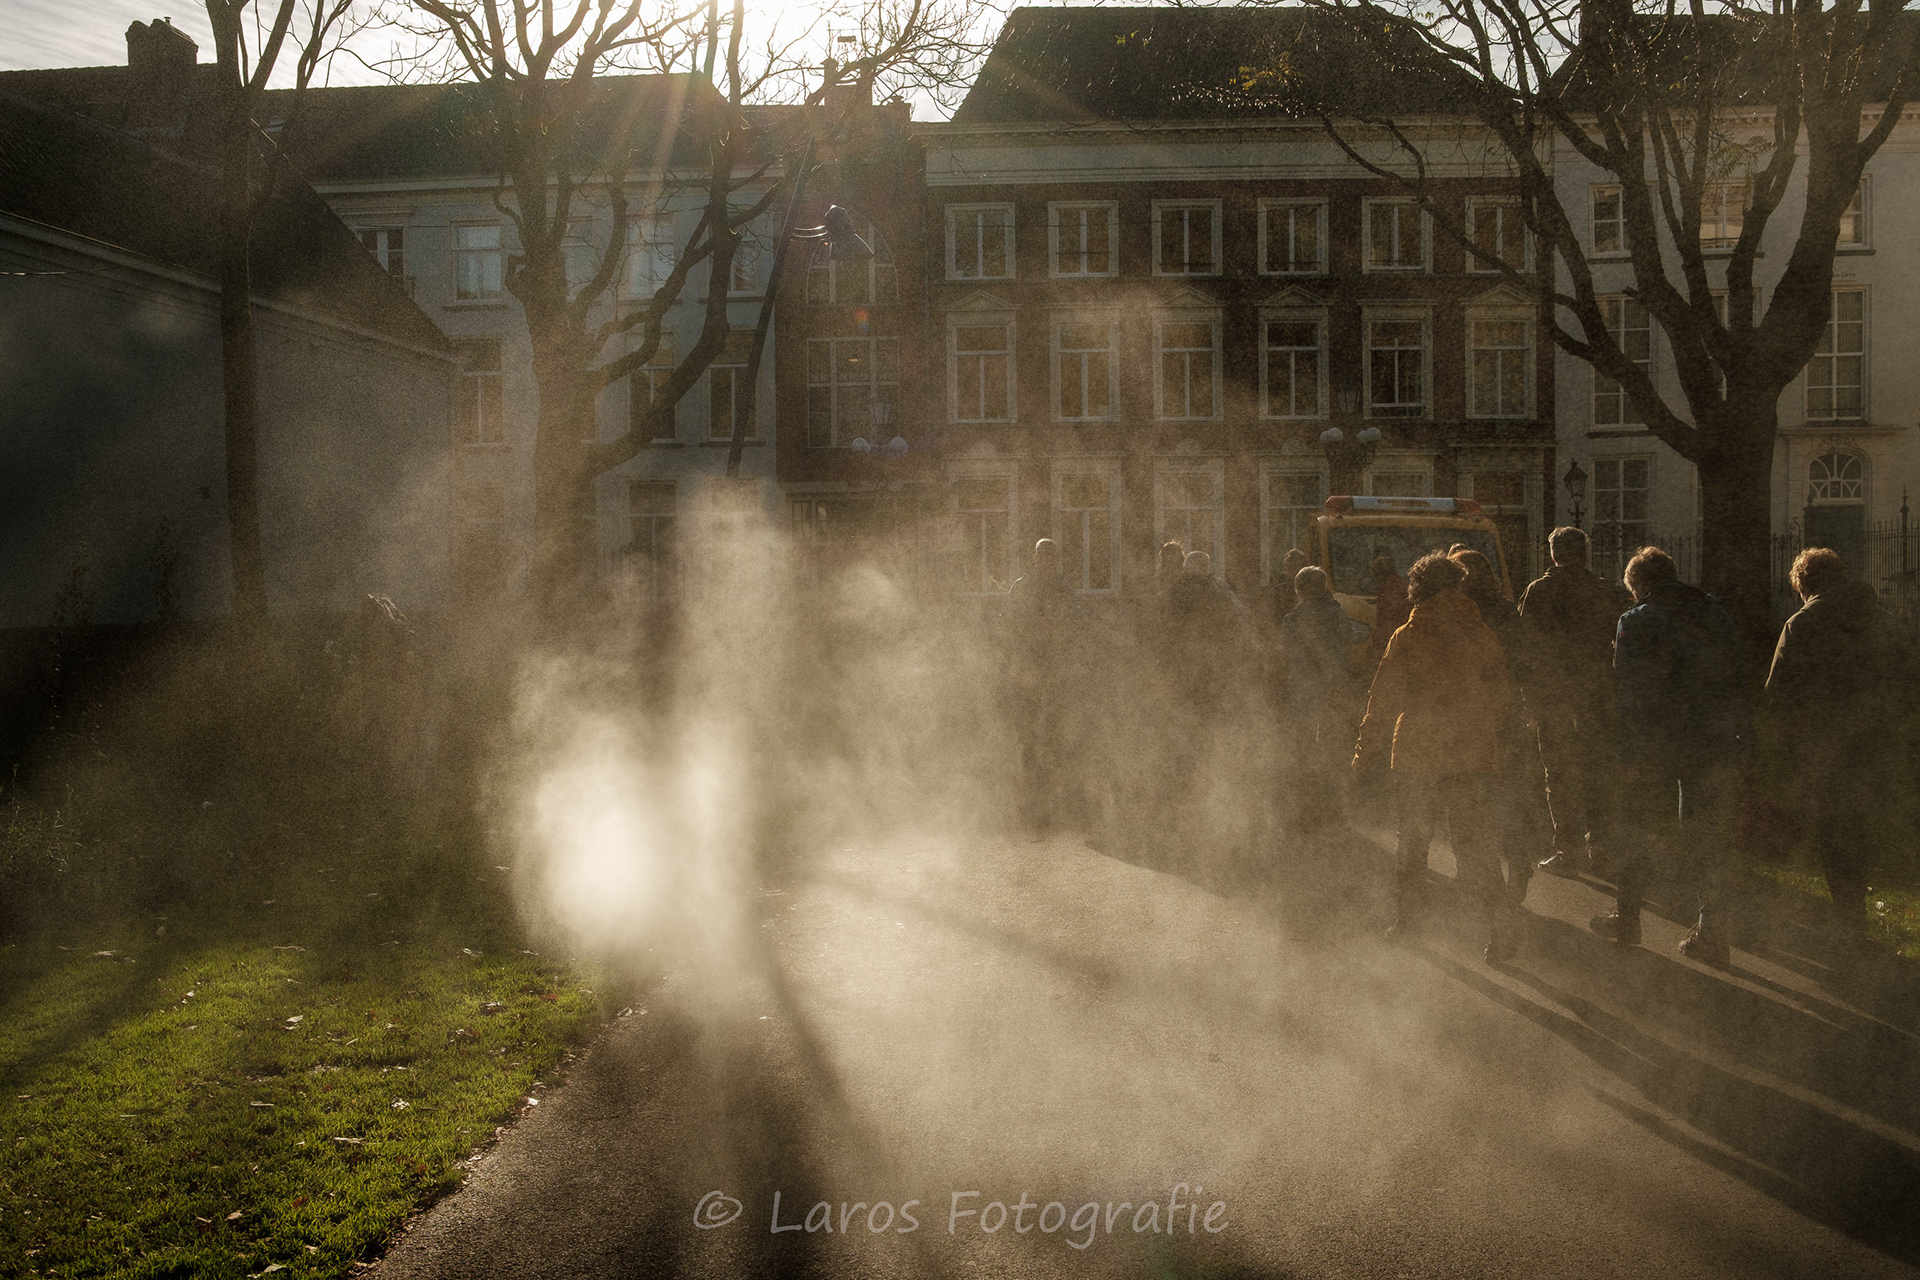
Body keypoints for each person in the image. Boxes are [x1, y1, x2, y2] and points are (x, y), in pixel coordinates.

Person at [1353, 552, 1516, 962]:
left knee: (1413, 843)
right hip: (1473, 753)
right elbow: (1502, 696)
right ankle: (1501, 932)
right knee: (1475, 845)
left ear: (1417, 589)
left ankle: (1408, 925)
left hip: (1418, 753)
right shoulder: (1480, 634)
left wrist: (1363, 754)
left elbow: (1383, 701)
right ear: (1458, 587)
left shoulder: (1408, 636)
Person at [1592, 547, 1750, 966]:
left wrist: (1625, 754)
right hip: (1712, 739)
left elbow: (1629, 694)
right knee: (1704, 837)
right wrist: (1743, 740)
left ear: (1638, 585)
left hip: (1654, 743)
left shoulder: (1636, 620)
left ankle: (1627, 919)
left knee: (1635, 828)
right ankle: (1711, 932)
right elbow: (1739, 676)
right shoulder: (1715, 612)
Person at [1766, 547, 1900, 948]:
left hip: (1824, 747)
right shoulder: (1882, 619)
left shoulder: (1802, 624)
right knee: (1860, 829)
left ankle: (1848, 925)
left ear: (1804, 584)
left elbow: (1778, 693)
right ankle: (1854, 916)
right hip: (1875, 744)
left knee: (1834, 832)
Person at [1519, 526, 1632, 879]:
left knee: (1559, 772)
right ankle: (1599, 843)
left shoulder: (1539, 591)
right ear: (1583, 553)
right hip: (1595, 692)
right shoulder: (1603, 590)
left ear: (1552, 554)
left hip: (1552, 694)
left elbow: (1525, 648)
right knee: (1596, 768)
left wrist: (1529, 699)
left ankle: (1568, 849)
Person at [1451, 547, 1545, 912]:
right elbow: (1527, 663)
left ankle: (1475, 874)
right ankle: (1518, 863)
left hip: (1467, 720)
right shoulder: (1507, 611)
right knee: (1508, 795)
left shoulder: (1459, 615)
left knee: (1466, 800)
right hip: (1507, 718)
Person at [1279, 565, 1366, 828]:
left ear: (1300, 590)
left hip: (1303, 693)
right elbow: (1346, 645)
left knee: (1302, 751)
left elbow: (1287, 654)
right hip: (1332, 689)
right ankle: (1335, 811)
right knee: (1332, 749)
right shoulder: (1339, 616)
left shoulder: (1291, 620)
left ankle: (1303, 811)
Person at [1004, 538, 1079, 831]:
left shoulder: (1063, 590)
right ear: (1035, 558)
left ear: (1055, 558)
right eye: (1042, 555)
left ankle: (1048, 803)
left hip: (1053, 672)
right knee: (1029, 739)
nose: (1046, 560)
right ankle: (1031, 803)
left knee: (1052, 737)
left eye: (1050, 554)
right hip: (1029, 671)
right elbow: (1009, 625)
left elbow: (1076, 626)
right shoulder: (1023, 588)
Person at [1369, 553, 1411, 658]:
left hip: (1393, 638)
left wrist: (1376, 643)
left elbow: (1385, 620)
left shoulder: (1388, 590)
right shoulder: (1403, 585)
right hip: (1405, 636)